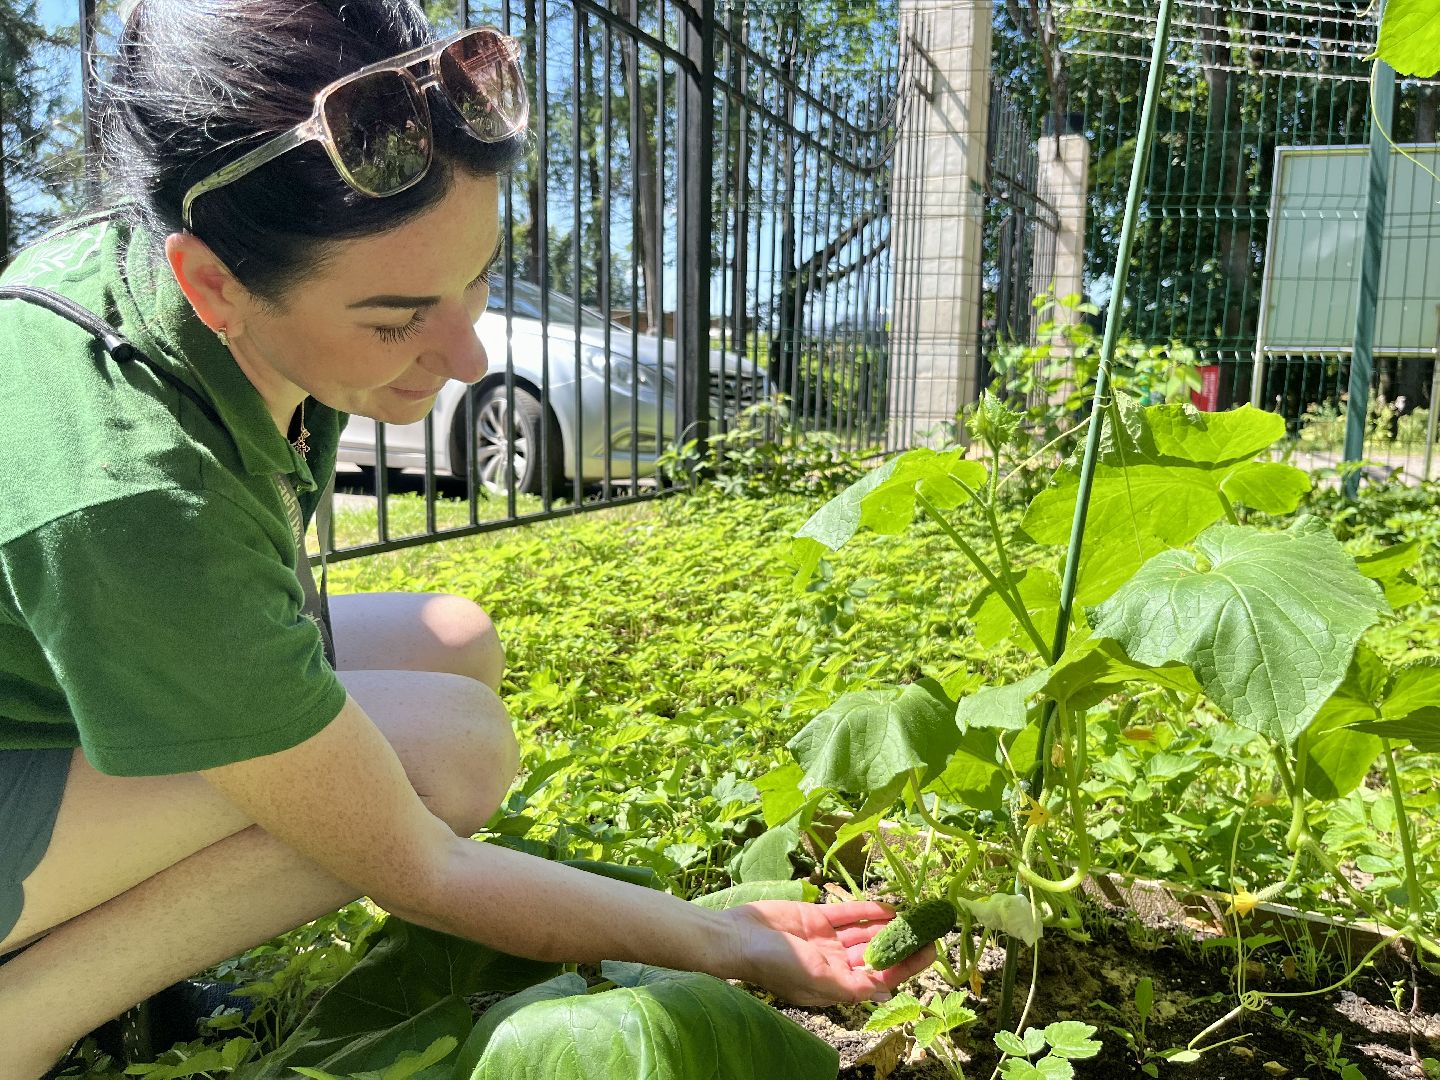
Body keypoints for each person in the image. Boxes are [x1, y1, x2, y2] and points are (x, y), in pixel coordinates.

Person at [0, 3, 932, 1076]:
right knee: (449, 753)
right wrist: (727, 938)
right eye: (397, 318)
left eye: (477, 276)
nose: (468, 357)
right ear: (209, 283)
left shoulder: (212, 279)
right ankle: (26, 1018)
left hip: (50, 689)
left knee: (454, 640)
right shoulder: (132, 489)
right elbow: (422, 867)